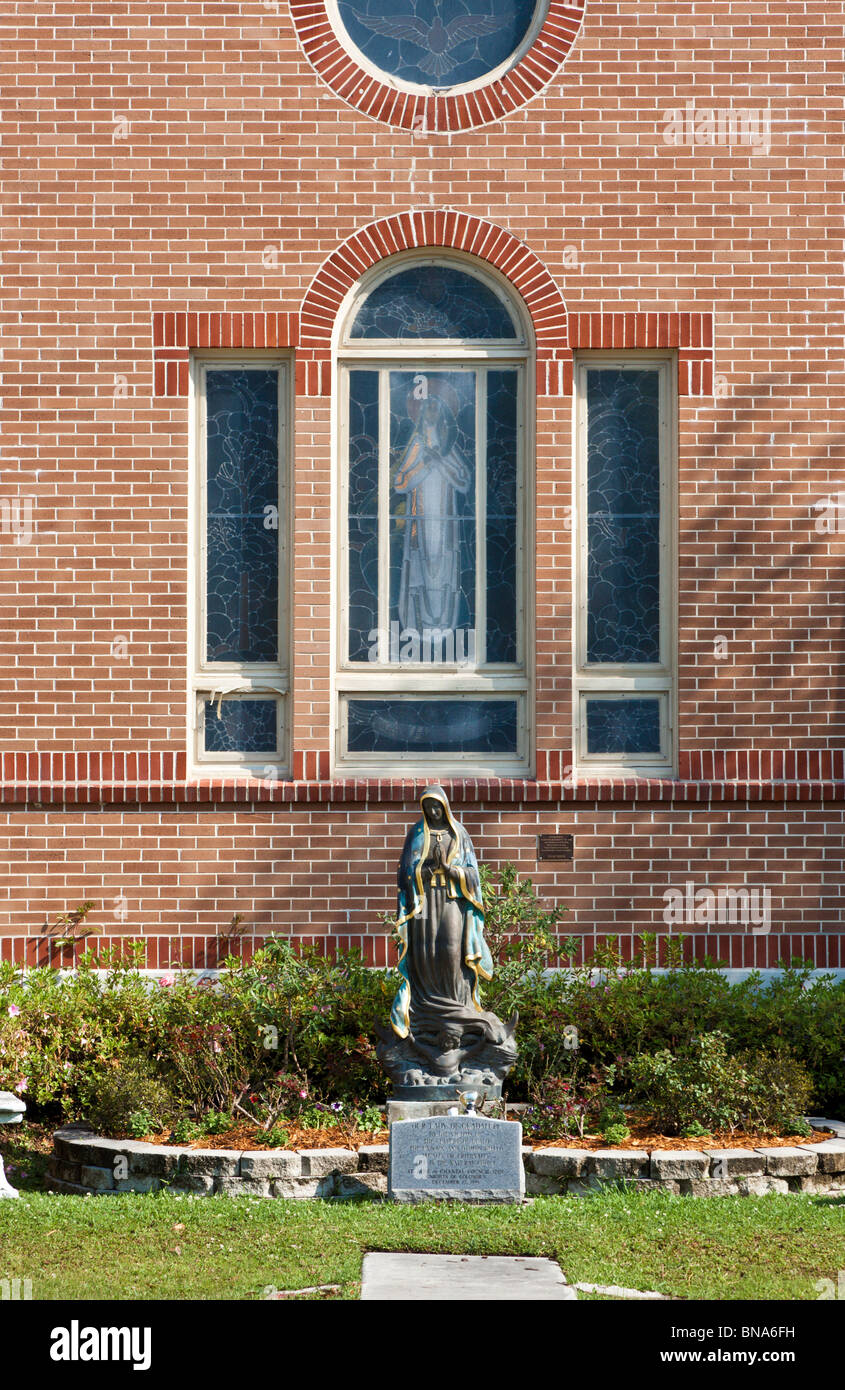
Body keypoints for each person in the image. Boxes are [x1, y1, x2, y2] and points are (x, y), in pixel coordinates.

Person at [388, 784, 507, 1050]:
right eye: (428, 806)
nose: (432, 811)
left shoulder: (460, 834)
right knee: (426, 951)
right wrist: (427, 869)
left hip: (452, 901)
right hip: (425, 903)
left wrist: (450, 869)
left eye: (437, 806)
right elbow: (405, 873)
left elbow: (473, 874)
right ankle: (425, 1009)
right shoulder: (417, 834)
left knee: (452, 950)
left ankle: (457, 1004)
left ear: (445, 807)